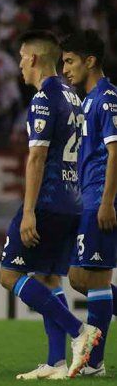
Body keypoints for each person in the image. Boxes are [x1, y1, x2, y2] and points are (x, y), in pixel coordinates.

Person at [0, 30, 100, 380]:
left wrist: (28, 211)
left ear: (36, 59)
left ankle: (78, 331)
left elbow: (37, 157)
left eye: (22, 58)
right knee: (48, 276)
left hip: (48, 201)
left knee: (10, 275)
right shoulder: (73, 97)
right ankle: (55, 361)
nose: (19, 66)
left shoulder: (44, 98)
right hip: (74, 201)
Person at [61, 30, 117, 377]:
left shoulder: (107, 97)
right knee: (79, 277)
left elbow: (115, 151)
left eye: (69, 61)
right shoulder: (90, 100)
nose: (65, 69)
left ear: (90, 61)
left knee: (93, 278)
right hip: (91, 197)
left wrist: (107, 201)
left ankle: (93, 362)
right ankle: (93, 358)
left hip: (102, 197)